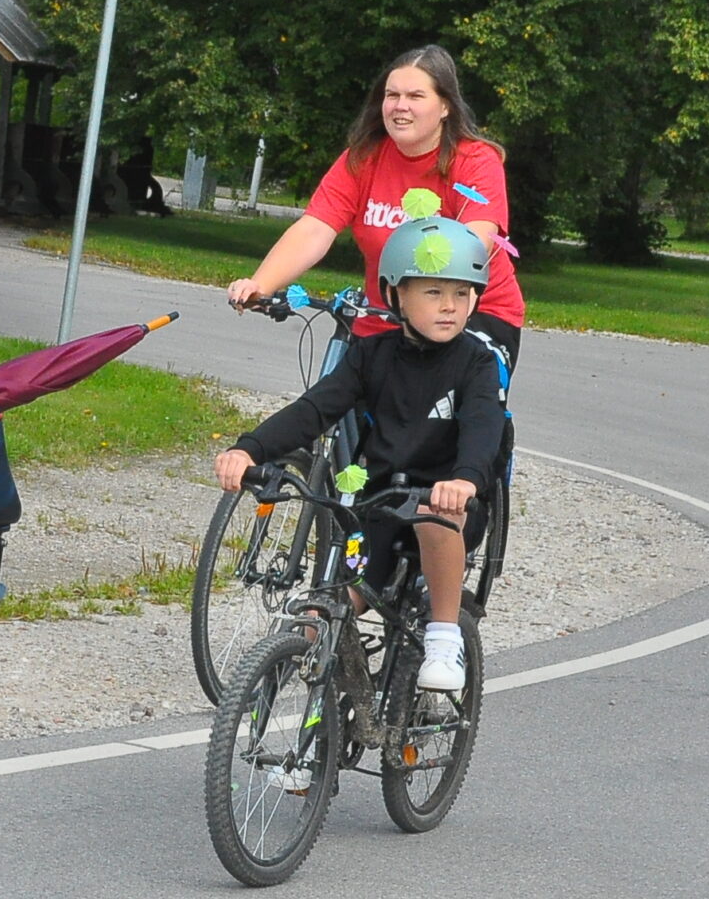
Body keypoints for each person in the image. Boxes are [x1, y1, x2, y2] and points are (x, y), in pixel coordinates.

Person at [213, 215, 505, 692]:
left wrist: (466, 479)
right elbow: (315, 409)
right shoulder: (372, 355)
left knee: (434, 516)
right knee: (323, 611)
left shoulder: (476, 362)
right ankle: (273, 714)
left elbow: (483, 425)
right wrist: (249, 449)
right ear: (396, 294)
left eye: (462, 293)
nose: (450, 306)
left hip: (450, 506)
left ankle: (444, 637)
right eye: (434, 292)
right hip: (379, 507)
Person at [226, 44, 526, 369]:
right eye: (391, 95)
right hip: (383, 319)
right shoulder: (363, 158)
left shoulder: (475, 161)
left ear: (445, 106)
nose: (400, 106)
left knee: (432, 397)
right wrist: (260, 285)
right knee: (332, 395)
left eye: (415, 96)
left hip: (468, 318)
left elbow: (474, 243)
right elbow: (314, 229)